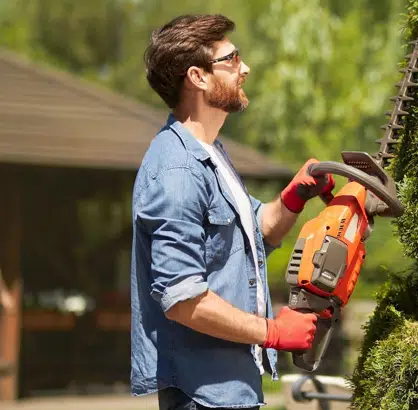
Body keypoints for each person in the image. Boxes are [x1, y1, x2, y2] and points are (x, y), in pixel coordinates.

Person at [129, 14, 333, 410]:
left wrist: (293, 198)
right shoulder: (178, 171)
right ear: (198, 77)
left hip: (229, 389)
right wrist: (273, 332)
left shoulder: (210, 154)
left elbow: (254, 233)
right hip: (201, 394)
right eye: (232, 59)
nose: (246, 68)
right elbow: (183, 299)